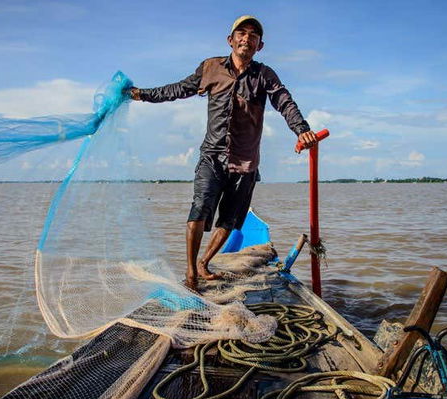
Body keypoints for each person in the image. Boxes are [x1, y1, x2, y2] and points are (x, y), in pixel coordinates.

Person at [129, 15, 319, 289]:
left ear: (260, 46)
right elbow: (177, 89)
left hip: (245, 162)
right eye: (242, 33)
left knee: (229, 220)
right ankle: (191, 275)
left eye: (253, 35)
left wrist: (301, 129)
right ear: (230, 40)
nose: (247, 38)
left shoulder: (264, 75)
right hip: (212, 155)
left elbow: (284, 100)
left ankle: (204, 262)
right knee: (199, 209)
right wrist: (141, 94)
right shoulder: (211, 67)